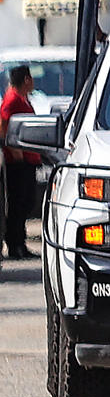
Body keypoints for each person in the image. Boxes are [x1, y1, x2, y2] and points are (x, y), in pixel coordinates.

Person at [0, 67, 37, 259]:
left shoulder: (22, 99)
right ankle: (15, 244)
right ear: (26, 79)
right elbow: (5, 128)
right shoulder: (12, 100)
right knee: (18, 203)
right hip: (18, 161)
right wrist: (17, 154)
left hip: (28, 159)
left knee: (26, 202)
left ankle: (20, 242)